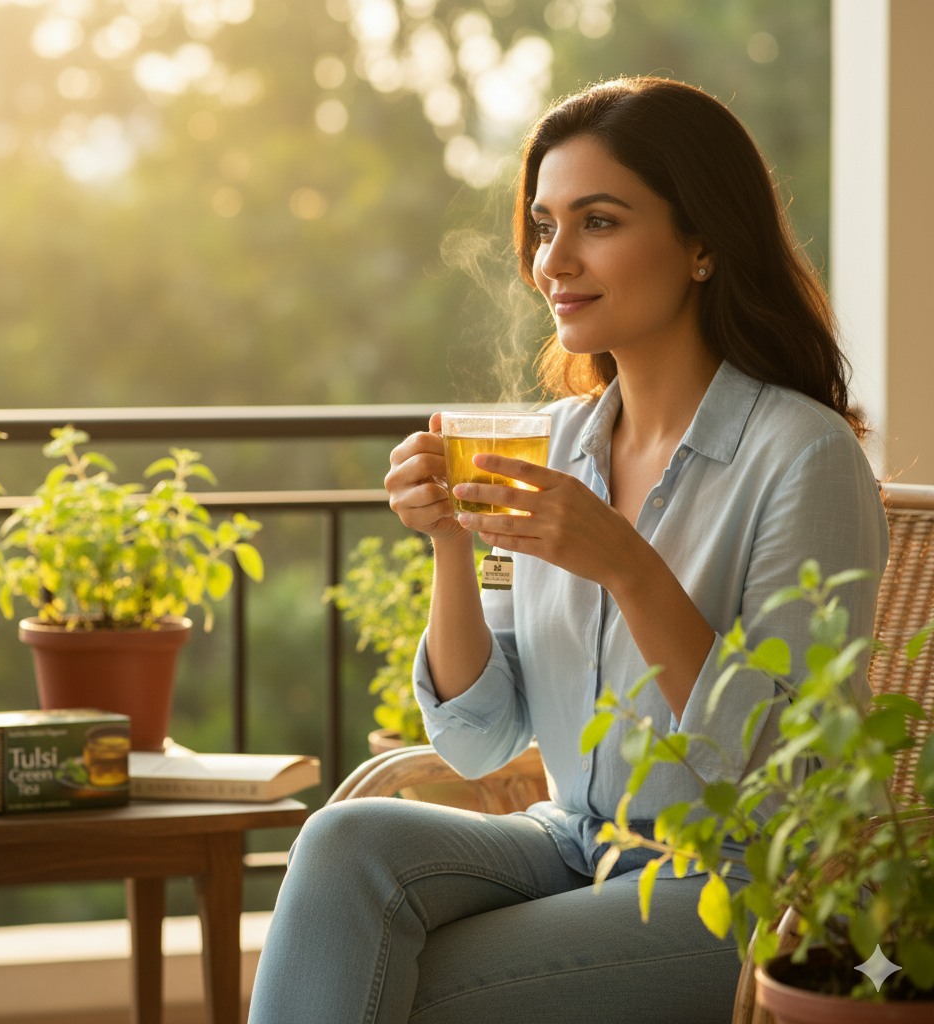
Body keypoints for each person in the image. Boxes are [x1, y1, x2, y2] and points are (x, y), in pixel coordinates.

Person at [248, 77, 889, 1024]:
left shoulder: (803, 455)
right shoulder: (552, 444)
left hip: (745, 885)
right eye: (545, 227)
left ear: (704, 243)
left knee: (393, 982)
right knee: (344, 846)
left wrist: (626, 564)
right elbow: (480, 738)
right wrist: (451, 546)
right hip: (571, 841)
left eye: (598, 222)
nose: (554, 261)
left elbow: (792, 784)